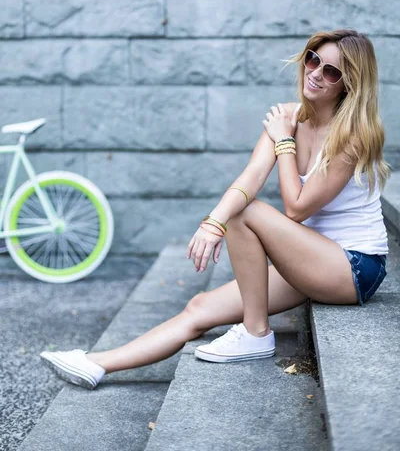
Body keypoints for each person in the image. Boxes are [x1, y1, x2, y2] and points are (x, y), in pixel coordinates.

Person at [40, 28, 390, 389]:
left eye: (331, 71)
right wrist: (212, 223)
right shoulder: (288, 116)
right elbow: (252, 176)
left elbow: (296, 209)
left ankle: (255, 333)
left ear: (348, 84)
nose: (315, 73)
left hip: (354, 267)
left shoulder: (351, 136)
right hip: (311, 257)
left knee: (248, 212)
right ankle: (97, 364)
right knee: (200, 306)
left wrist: (284, 140)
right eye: (313, 59)